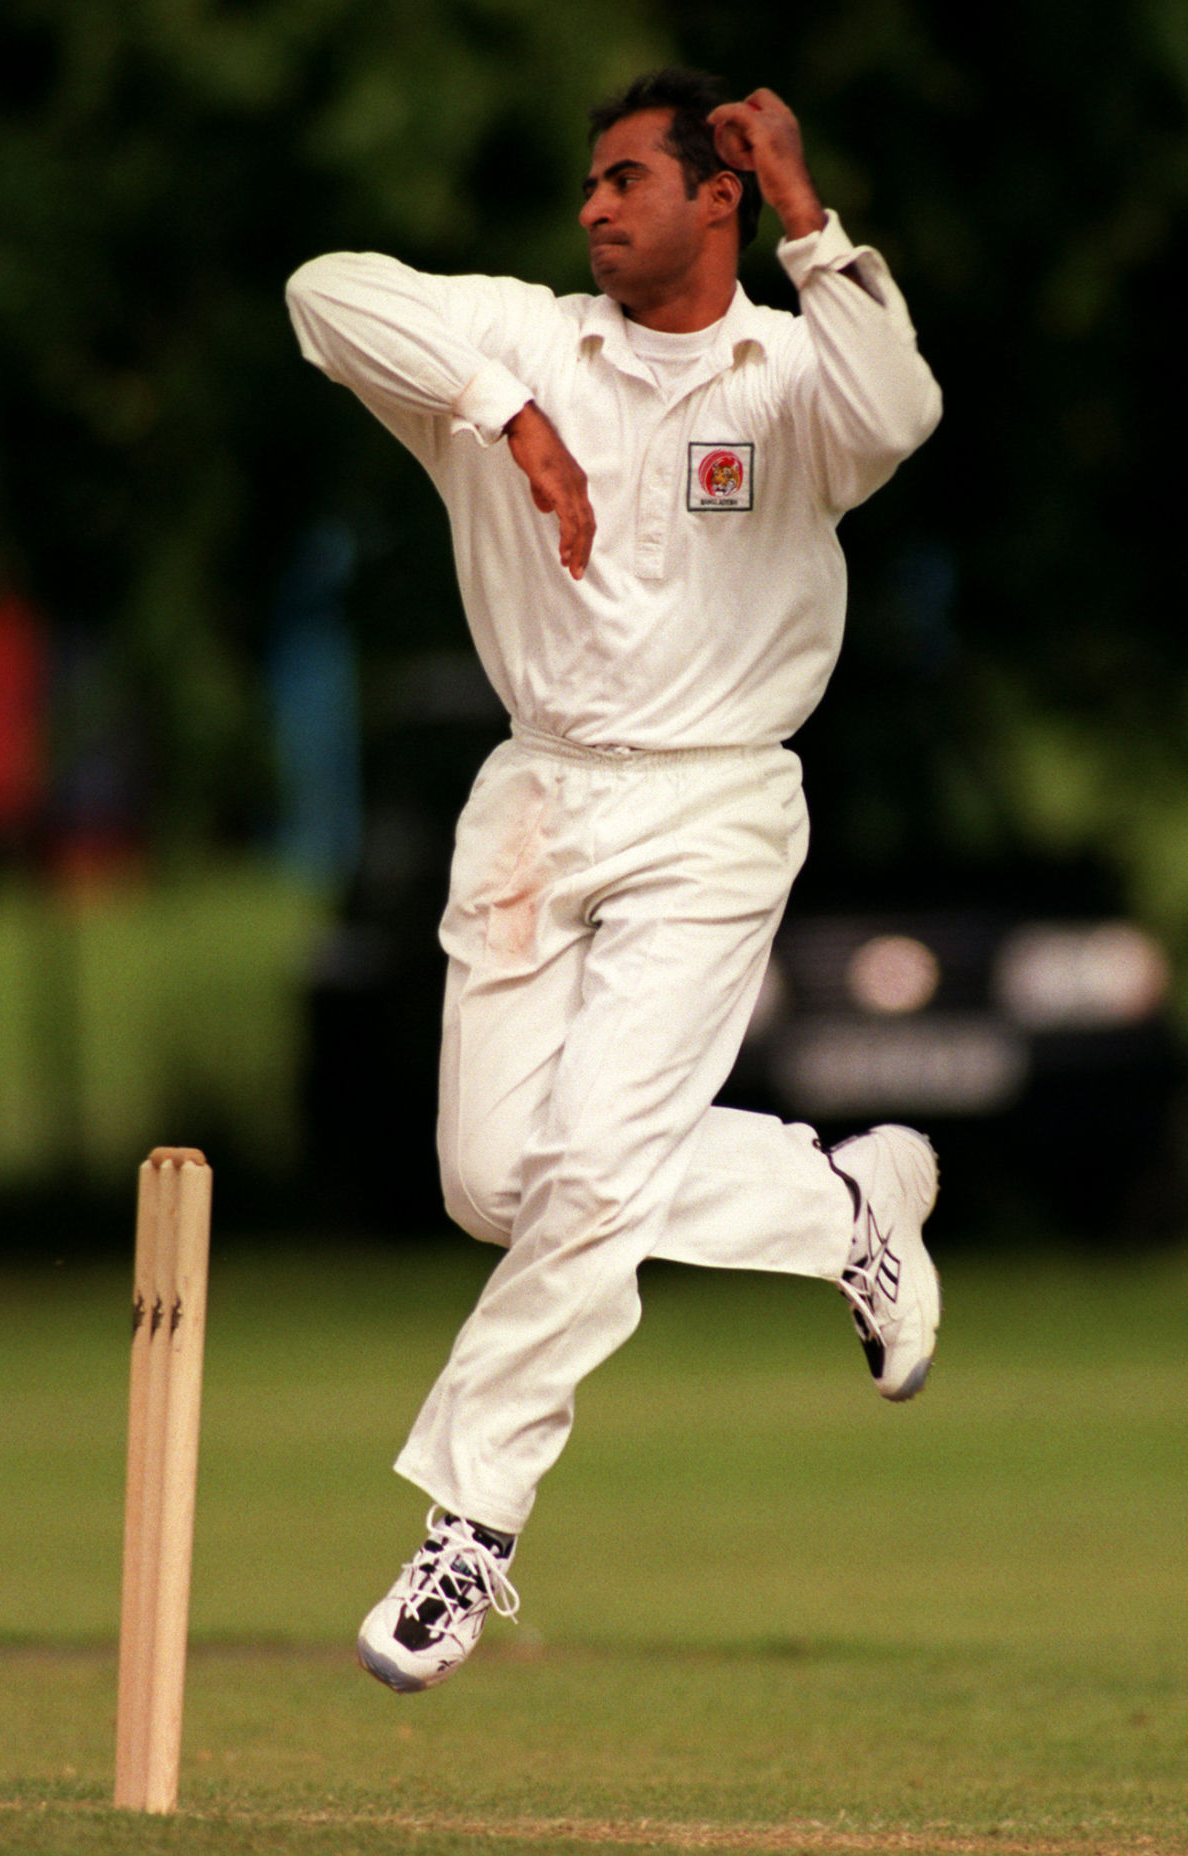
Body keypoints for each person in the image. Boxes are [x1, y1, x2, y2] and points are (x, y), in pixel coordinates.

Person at [286, 67, 943, 1695]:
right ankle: (841, 1206)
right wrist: (510, 421)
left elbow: (901, 415)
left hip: (716, 808)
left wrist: (812, 216)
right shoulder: (520, 340)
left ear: (714, 195)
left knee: (589, 1171)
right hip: (536, 797)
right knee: (497, 1182)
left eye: (626, 181)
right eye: (586, 185)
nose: (592, 209)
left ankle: (469, 1526)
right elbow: (324, 293)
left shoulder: (792, 375)